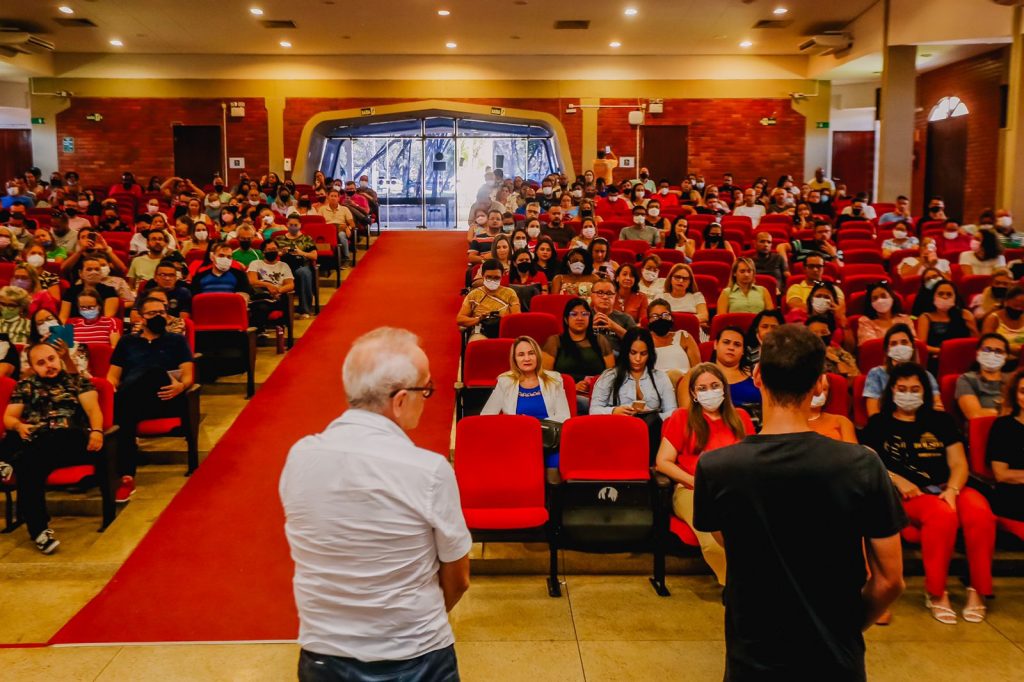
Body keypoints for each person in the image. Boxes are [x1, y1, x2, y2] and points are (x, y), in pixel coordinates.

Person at [693, 323, 905, 678]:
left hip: (753, 660)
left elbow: (729, 543)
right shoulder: (862, 465)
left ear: (757, 376)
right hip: (835, 659)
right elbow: (890, 580)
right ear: (821, 382)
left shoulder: (716, 468)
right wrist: (845, 629)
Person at [279, 327, 470, 681]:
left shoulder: (299, 456)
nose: (427, 398)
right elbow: (458, 578)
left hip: (325, 655)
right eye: (426, 389)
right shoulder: (427, 471)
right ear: (399, 401)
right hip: (416, 658)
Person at [861, 362, 994, 624]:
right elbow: (870, 463)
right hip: (908, 495)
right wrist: (898, 480)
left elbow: (958, 463)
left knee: (980, 514)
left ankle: (977, 589)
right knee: (941, 516)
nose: (908, 394)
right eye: (902, 388)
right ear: (892, 391)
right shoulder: (878, 423)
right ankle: (936, 593)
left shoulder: (941, 421)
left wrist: (954, 490)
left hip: (949, 486)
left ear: (924, 391)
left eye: (914, 389)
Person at [4, 343, 106, 554]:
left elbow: (94, 410)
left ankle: (9, 462)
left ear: (58, 358)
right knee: (29, 465)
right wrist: (18, 425)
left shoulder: (77, 381)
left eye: (51, 359)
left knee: (27, 457)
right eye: (41, 363)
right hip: (37, 444)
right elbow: (9, 417)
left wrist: (97, 431)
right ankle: (40, 531)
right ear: (32, 367)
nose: (48, 365)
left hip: (70, 439)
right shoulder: (25, 385)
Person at [656, 362, 753, 585]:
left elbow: (751, 459)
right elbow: (663, 462)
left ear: (724, 388)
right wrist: (695, 482)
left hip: (734, 492)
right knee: (712, 540)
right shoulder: (682, 418)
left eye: (714, 385)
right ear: (694, 393)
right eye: (702, 388)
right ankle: (736, 587)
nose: (710, 392)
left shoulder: (741, 418)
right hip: (692, 490)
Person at [107, 296, 195, 503]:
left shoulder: (176, 340)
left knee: (154, 372)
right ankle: (127, 478)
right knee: (125, 412)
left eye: (161, 312)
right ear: (141, 317)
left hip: (165, 397)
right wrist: (109, 387)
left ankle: (121, 473)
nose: (158, 317)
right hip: (133, 402)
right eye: (152, 313)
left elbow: (189, 375)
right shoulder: (127, 342)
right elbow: (112, 376)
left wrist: (181, 386)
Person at [590, 328, 676, 459]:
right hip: (618, 432)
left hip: (652, 433)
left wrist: (653, 414)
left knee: (652, 420)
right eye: (633, 353)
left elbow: (672, 413)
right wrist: (614, 411)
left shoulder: (660, 377)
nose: (638, 359)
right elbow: (593, 410)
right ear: (625, 352)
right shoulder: (609, 376)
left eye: (643, 354)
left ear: (650, 354)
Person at [481, 335, 571, 449]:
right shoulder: (505, 381)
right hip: (516, 441)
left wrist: (532, 423)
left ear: (537, 355)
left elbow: (564, 416)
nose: (527, 358)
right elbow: (486, 416)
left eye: (531, 353)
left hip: (548, 442)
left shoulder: (554, 380)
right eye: (521, 354)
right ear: (514, 359)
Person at [541, 298, 615, 414]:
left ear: (590, 318)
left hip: (596, 395)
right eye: (574, 314)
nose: (580, 318)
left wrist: (593, 386)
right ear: (566, 319)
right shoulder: (555, 342)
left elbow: (611, 375)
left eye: (585, 314)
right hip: (565, 394)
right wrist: (572, 387)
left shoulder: (600, 341)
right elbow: (545, 377)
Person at [863, 324, 941, 417]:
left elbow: (937, 406)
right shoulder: (876, 374)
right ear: (887, 350)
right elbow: (873, 412)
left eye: (904, 342)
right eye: (894, 344)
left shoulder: (926, 375)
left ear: (912, 346)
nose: (899, 347)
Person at [987, 368, 1024, 522]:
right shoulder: (1004, 427)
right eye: (1023, 391)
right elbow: (1001, 474)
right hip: (1014, 495)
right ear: (1015, 396)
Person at [455, 259, 520, 342]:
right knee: (478, 343)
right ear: (482, 275)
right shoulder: (473, 294)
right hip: (481, 330)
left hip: (504, 330)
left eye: (496, 278)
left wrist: (502, 317)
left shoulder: (510, 293)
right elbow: (460, 319)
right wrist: (479, 319)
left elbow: (516, 318)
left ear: (502, 275)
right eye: (489, 277)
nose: (492, 280)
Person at [917, 279, 979, 362]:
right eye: (940, 294)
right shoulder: (925, 317)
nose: (945, 297)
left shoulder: (964, 314)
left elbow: (976, 342)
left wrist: (970, 324)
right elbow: (922, 346)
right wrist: (945, 352)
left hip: (962, 357)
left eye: (949, 294)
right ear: (933, 297)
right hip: (937, 358)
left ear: (955, 297)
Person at [955, 333, 1010, 419]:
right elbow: (974, 415)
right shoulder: (966, 379)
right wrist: (1008, 412)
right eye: (987, 350)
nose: (992, 355)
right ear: (978, 353)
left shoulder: (1013, 380)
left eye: (998, 351)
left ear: (1006, 356)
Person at [647, 298, 700, 382]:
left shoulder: (684, 336)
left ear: (671, 317)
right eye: (655, 316)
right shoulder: (644, 340)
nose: (660, 319)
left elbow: (697, 369)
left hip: (684, 383)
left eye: (665, 315)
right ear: (649, 320)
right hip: (657, 385)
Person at [275, 215, 318, 318]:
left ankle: (305, 310)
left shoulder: (307, 238)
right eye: (291, 225)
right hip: (283, 267)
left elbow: (314, 255)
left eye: (295, 225)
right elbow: (272, 254)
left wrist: (301, 252)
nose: (293, 227)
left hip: (301, 266)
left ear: (300, 225)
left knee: (303, 273)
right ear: (287, 225)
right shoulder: (279, 238)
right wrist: (281, 253)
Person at [857, 281, 912, 346]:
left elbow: (913, 342)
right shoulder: (865, 322)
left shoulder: (904, 319)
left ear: (892, 297)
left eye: (883, 296)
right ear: (870, 303)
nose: (880, 301)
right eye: (875, 298)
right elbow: (870, 347)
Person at [589, 279, 635, 356]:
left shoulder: (625, 318)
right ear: (591, 295)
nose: (605, 297)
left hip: (616, 357)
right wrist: (589, 328)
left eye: (609, 293)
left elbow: (637, 342)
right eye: (600, 293)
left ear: (615, 296)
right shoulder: (583, 315)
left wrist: (613, 326)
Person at [806, 314, 859, 379]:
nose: (819, 336)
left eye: (823, 332)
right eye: (815, 333)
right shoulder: (804, 357)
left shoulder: (840, 353)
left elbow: (856, 376)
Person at [980, 284, 1024, 361]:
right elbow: (987, 343)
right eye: (1016, 306)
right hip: (1000, 361)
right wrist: (1012, 349)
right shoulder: (993, 319)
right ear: (1005, 302)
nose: (1019, 309)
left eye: (1022, 307)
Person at [807, 378, 856, 443]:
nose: (818, 393)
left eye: (824, 389)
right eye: (813, 388)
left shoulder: (842, 421)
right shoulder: (791, 424)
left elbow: (853, 451)